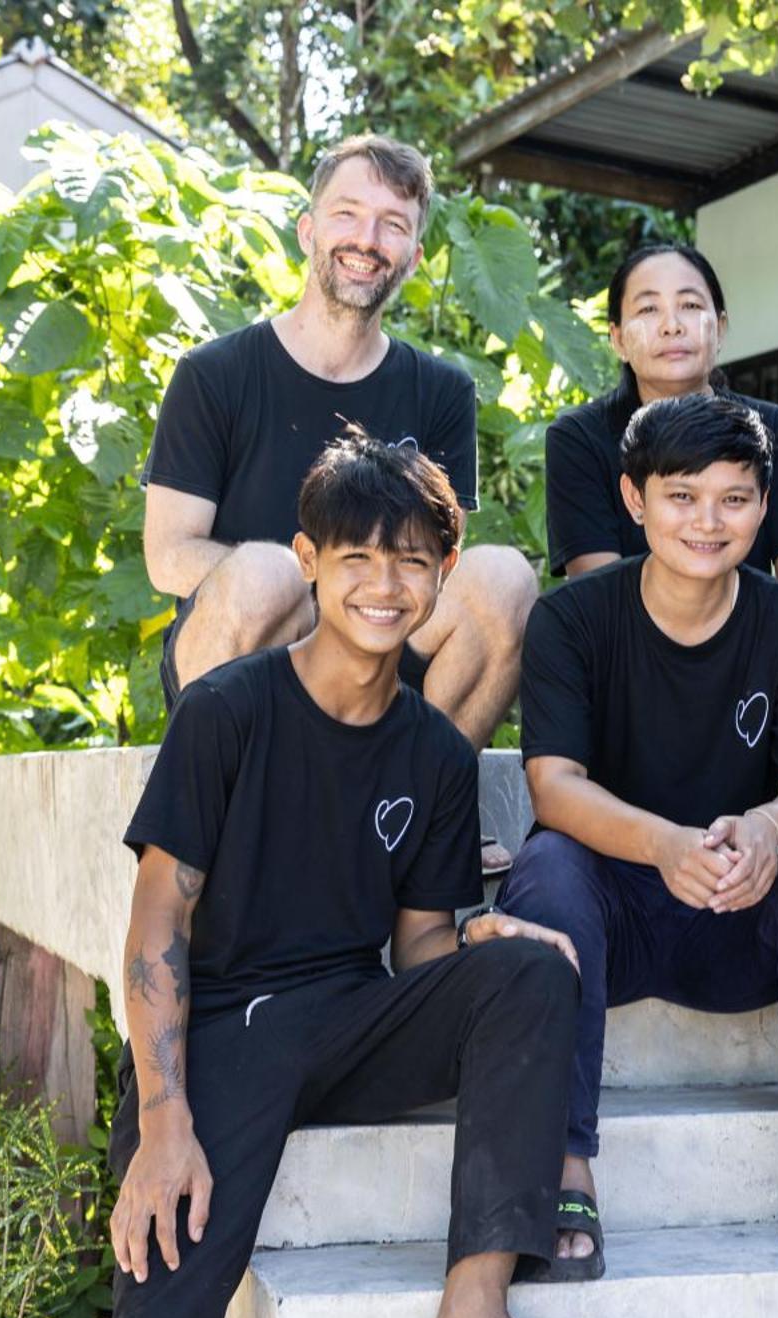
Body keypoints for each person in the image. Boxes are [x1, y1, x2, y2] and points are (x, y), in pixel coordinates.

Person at [107, 438, 581, 1318]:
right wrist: (166, 1117)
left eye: (410, 560)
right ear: (308, 563)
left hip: (350, 1017)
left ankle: (473, 1306)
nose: (385, 584)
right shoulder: (227, 712)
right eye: (357, 557)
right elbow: (159, 917)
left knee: (533, 970)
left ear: (443, 572)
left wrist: (477, 944)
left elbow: (419, 947)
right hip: (224, 1032)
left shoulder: (437, 753)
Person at [500, 393, 778, 1283]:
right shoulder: (573, 619)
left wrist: (765, 828)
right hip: (613, 914)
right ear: (633, 499)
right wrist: (664, 845)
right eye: (682, 496)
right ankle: (564, 1171)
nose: (708, 521)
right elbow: (554, 787)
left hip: (742, 907)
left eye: (734, 497)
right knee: (546, 867)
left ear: (764, 506)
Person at [141, 133, 534, 873]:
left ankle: (409, 814)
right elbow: (168, 555)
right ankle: (234, 824)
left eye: (393, 223)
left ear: (414, 256)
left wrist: (360, 608)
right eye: (348, 213)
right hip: (248, 662)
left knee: (506, 579)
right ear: (309, 231)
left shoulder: (441, 391)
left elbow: (438, 571)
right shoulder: (214, 374)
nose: (367, 239)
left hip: (384, 658)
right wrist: (317, 584)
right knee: (267, 573)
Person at [543, 242, 778, 855]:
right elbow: (595, 579)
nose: (671, 323)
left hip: (759, 649)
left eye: (690, 305)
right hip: (639, 651)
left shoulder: (773, 429)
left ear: (719, 328)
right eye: (647, 309)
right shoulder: (580, 438)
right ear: (617, 337)